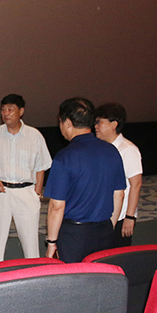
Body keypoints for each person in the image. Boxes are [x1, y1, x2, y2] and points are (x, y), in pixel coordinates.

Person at [44, 98, 126, 263]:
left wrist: (51, 242)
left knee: (74, 277)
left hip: (73, 235)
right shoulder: (112, 151)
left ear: (68, 123)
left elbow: (56, 206)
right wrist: (109, 227)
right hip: (104, 230)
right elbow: (119, 195)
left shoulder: (65, 157)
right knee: (101, 275)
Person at [0, 94, 52, 263]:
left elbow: (41, 167)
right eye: (3, 109)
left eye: (10, 109)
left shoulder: (34, 135)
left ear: (21, 111)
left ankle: (33, 272)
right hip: (0, 192)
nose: (6, 113)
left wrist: (37, 193)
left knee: (30, 241)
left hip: (26, 192)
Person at [95, 103, 143, 247]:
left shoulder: (128, 150)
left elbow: (136, 184)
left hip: (121, 216)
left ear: (113, 124)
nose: (95, 126)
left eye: (99, 122)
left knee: (117, 253)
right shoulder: (101, 148)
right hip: (103, 214)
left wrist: (130, 216)